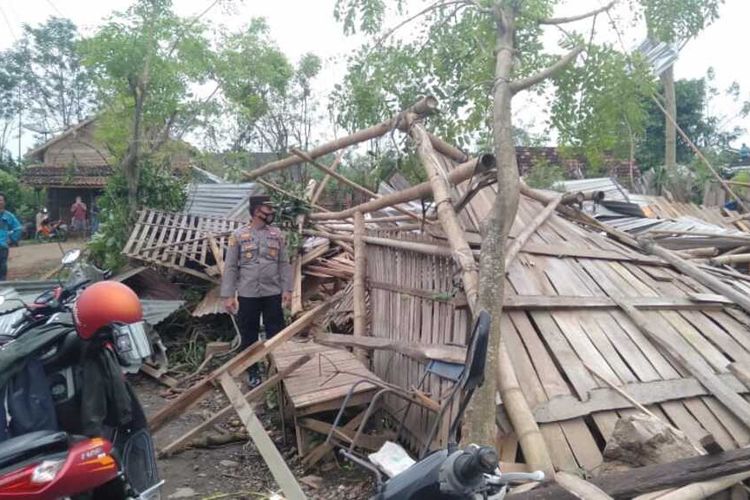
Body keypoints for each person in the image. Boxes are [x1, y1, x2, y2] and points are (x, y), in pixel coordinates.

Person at [221, 195, 292, 386]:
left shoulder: (277, 235)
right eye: (267, 209)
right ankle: (253, 371)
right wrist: (228, 295)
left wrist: (287, 289)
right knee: (249, 334)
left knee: (276, 332)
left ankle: (276, 368)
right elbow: (231, 267)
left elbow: (284, 264)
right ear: (256, 211)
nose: (271, 213)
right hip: (248, 294)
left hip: (272, 293)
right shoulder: (237, 236)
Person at [0, 193, 22, 281]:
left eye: (0, 200)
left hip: (2, 247)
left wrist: (12, 239)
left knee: (2, 268)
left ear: (4, 202)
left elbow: (18, 228)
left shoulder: (8, 216)